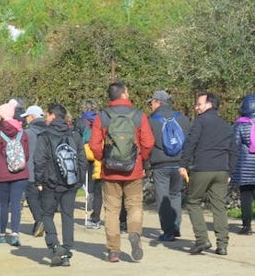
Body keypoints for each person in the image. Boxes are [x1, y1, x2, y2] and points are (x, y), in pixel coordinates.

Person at [88, 82, 154, 263]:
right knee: (134, 206)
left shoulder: (102, 116)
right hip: (133, 170)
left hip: (110, 171)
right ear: (124, 94)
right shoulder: (138, 115)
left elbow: (93, 144)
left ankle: (113, 251)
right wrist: (140, 158)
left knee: (111, 210)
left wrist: (104, 158)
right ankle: (134, 233)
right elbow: (148, 142)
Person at [180, 92, 238, 255]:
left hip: (203, 168)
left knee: (193, 202)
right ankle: (222, 244)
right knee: (219, 205)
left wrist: (183, 164)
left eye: (199, 104)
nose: (196, 107)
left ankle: (202, 239)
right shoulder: (226, 125)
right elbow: (234, 150)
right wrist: (230, 171)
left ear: (209, 105)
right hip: (221, 170)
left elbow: (191, 142)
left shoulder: (200, 121)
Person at [31, 103, 87, 267]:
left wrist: (39, 181)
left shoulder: (45, 136)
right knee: (67, 215)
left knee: (46, 214)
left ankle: (55, 245)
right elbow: (82, 160)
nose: (46, 118)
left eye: (47, 115)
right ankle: (67, 250)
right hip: (70, 183)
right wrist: (79, 180)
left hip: (50, 183)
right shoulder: (74, 134)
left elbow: (39, 160)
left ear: (53, 116)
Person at [0, 101, 29, 247]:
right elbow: (26, 155)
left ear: (2, 116)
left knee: (4, 205)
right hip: (21, 173)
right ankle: (15, 234)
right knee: (16, 204)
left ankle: (2, 233)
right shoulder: (22, 132)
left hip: (2, 174)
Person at [147, 90, 186, 242]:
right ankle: (176, 225)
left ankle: (168, 231)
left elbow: (148, 143)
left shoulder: (152, 120)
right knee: (176, 194)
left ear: (158, 102)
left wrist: (146, 163)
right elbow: (189, 140)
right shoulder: (182, 118)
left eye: (151, 102)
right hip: (179, 164)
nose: (151, 105)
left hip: (160, 164)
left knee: (162, 197)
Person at [232, 94, 255, 235]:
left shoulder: (240, 124)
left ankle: (246, 227)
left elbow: (234, 146)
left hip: (245, 166)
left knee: (245, 195)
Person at [21, 105, 48, 237]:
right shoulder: (50, 130)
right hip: (48, 171)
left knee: (32, 197)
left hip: (31, 170)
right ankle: (44, 221)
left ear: (32, 116)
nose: (25, 119)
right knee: (45, 198)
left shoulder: (27, 133)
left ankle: (40, 220)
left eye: (26, 116)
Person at [76, 100, 103, 229]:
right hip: (98, 152)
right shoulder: (101, 119)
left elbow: (76, 137)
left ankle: (87, 191)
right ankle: (95, 216)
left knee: (81, 176)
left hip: (84, 152)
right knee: (97, 183)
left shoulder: (80, 121)